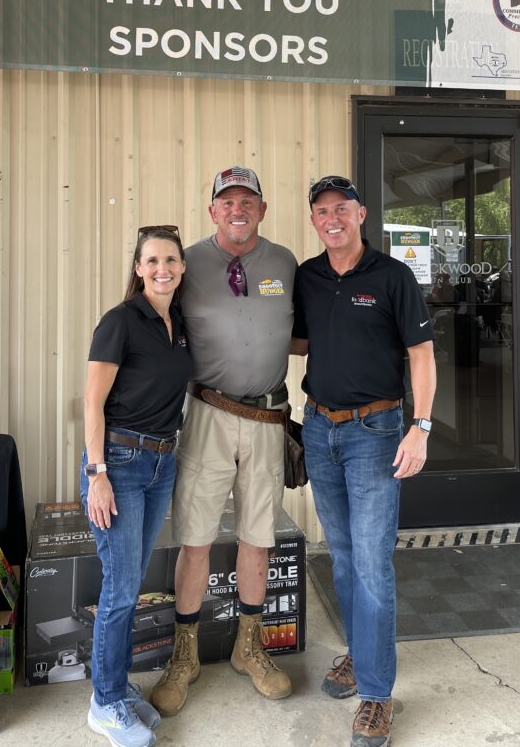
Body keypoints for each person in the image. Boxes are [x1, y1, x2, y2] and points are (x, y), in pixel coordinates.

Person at [292, 175, 436, 747]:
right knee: (345, 559)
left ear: (361, 214)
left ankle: (377, 695)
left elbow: (421, 356)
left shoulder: (392, 276)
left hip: (376, 431)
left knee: (373, 564)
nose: (332, 218)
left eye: (342, 209)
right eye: (322, 211)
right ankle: (359, 653)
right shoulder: (307, 276)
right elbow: (299, 339)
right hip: (320, 427)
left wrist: (420, 428)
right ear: (313, 220)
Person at [150, 166, 297, 716]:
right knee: (195, 537)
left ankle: (249, 646)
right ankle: (183, 655)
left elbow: (303, 330)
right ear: (212, 210)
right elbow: (152, 324)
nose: (238, 209)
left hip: (266, 418)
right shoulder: (185, 262)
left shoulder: (284, 263)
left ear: (262, 209)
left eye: (248, 201)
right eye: (227, 201)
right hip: (208, 413)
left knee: (258, 536)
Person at [81, 225, 191, 747]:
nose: (162, 268)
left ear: (182, 267)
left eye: (170, 259)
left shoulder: (179, 324)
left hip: (161, 464)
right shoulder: (121, 321)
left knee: (129, 582)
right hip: (120, 464)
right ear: (138, 268)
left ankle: (117, 688)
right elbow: (91, 403)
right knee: (121, 589)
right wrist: (97, 473)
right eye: (152, 260)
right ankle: (104, 704)